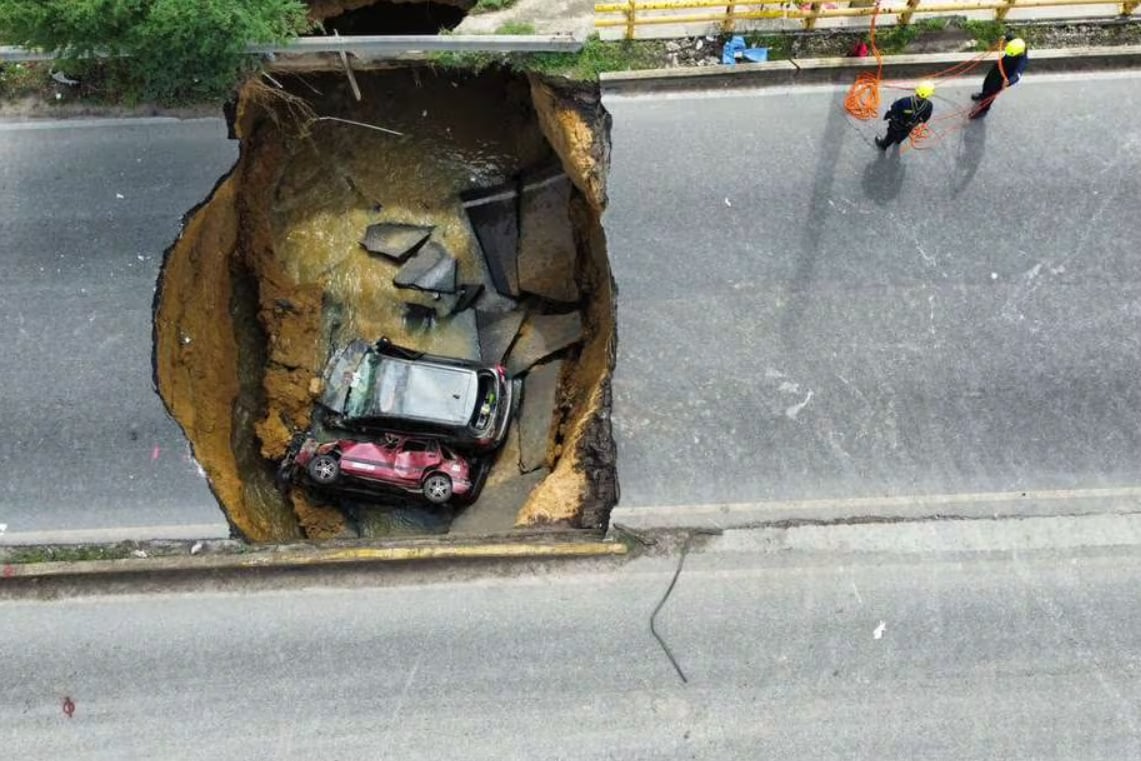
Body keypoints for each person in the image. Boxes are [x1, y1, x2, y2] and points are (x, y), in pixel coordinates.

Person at [970, 37, 1028, 119]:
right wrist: (1005, 36)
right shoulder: (1017, 43)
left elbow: (1017, 75)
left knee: (991, 93)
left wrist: (1009, 82)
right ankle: (983, 95)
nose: (1007, 54)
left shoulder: (1022, 61)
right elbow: (1011, 37)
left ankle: (983, 109)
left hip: (1004, 78)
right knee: (987, 83)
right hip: (997, 69)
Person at [875, 81, 935, 150]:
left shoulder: (904, 101)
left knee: (890, 136)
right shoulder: (929, 106)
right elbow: (925, 118)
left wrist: (886, 117)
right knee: (902, 135)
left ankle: (884, 145)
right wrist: (916, 122)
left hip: (896, 126)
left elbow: (892, 110)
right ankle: (898, 141)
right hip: (909, 127)